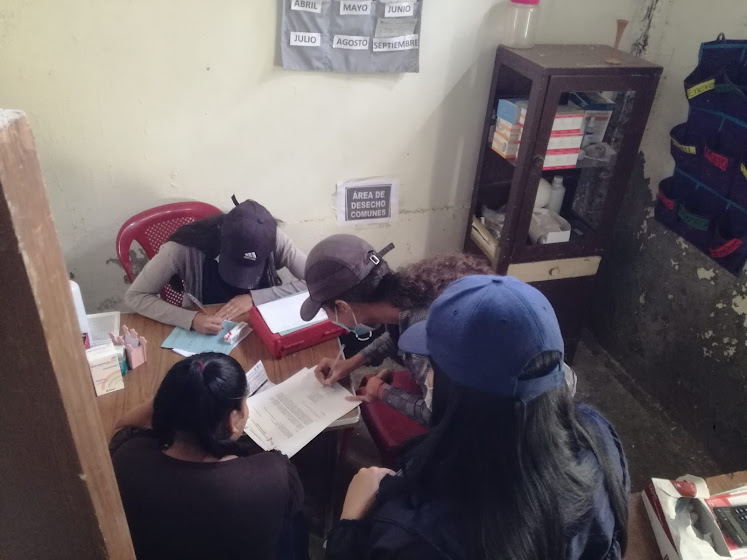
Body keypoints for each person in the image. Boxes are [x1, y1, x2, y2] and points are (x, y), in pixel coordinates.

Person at [326, 275, 630, 560]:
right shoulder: (598, 435)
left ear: (454, 393)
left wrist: (349, 523)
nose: (427, 376)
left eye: (432, 366)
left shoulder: (414, 531)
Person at [109, 353, 306, 560]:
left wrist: (174, 396)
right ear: (232, 420)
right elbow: (292, 503)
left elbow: (122, 427)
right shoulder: (273, 476)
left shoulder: (126, 459)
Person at [300, 234, 494, 425]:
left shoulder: (425, 338)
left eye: (326, 311)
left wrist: (381, 390)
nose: (330, 318)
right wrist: (352, 362)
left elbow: (438, 415)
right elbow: (397, 334)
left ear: (342, 306)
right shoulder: (408, 293)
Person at [124, 199, 306, 334]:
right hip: (205, 322)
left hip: (259, 321)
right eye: (236, 265)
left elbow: (314, 282)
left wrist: (255, 298)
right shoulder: (182, 249)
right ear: (221, 241)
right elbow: (135, 296)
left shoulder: (272, 237)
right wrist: (191, 319)